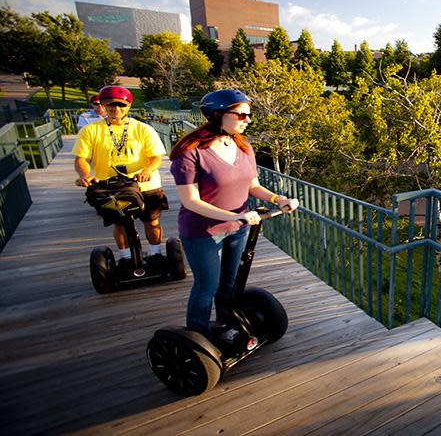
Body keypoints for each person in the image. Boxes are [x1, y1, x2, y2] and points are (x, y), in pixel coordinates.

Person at [169, 89, 298, 334]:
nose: (247, 120)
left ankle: (227, 325)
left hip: (238, 229)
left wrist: (278, 198)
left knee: (229, 283)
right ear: (218, 114)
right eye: (241, 115)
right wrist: (233, 216)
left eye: (249, 115)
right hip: (202, 233)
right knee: (207, 286)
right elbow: (190, 201)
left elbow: (253, 185)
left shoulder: (243, 146)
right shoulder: (191, 152)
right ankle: (198, 337)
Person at [73, 86, 170, 268]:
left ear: (128, 105)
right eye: (110, 105)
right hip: (111, 187)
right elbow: (81, 159)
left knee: (151, 220)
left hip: (145, 184)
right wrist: (85, 175)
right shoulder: (90, 130)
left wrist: (146, 171)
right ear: (102, 105)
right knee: (120, 223)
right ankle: (125, 258)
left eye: (121, 105)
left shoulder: (143, 129)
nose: (116, 109)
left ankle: (156, 254)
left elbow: (156, 157)